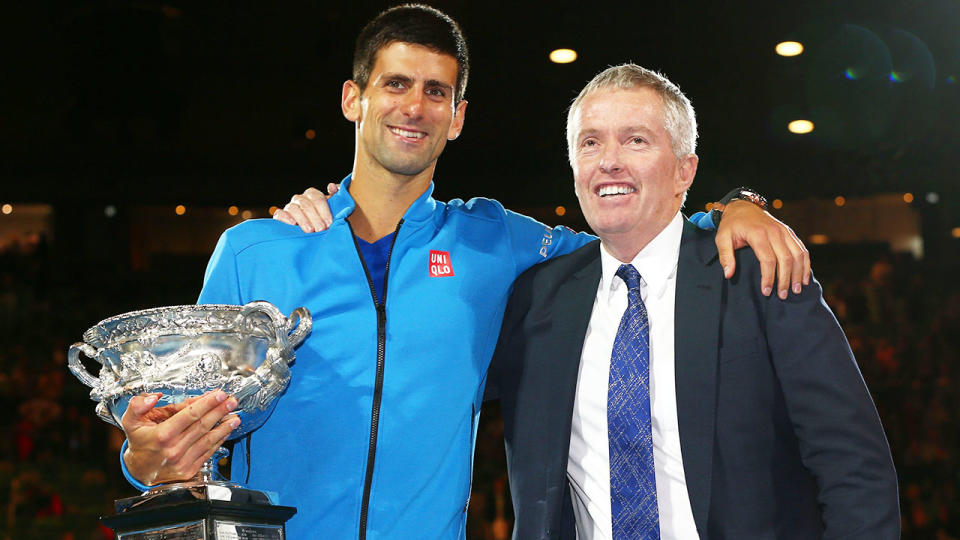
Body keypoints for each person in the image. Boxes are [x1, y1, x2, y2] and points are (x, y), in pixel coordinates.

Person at [117, 6, 809, 539]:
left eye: (436, 92)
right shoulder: (255, 251)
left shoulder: (494, 242)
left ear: (458, 116)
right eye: (394, 85)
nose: (414, 106)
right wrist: (144, 458)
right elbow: (170, 431)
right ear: (353, 99)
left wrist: (733, 209)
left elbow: (631, 234)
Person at [486, 64, 900, 539]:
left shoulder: (759, 275)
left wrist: (742, 202)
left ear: (686, 170)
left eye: (635, 140)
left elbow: (855, 470)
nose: (609, 161)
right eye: (590, 142)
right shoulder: (536, 301)